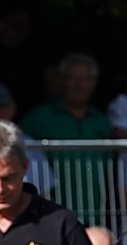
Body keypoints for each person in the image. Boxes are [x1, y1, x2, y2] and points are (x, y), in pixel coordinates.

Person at [20, 54, 112, 224]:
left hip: (96, 214)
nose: (79, 85)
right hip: (50, 215)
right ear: (60, 81)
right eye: (73, 79)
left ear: (94, 83)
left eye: (85, 79)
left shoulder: (102, 121)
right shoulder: (37, 119)